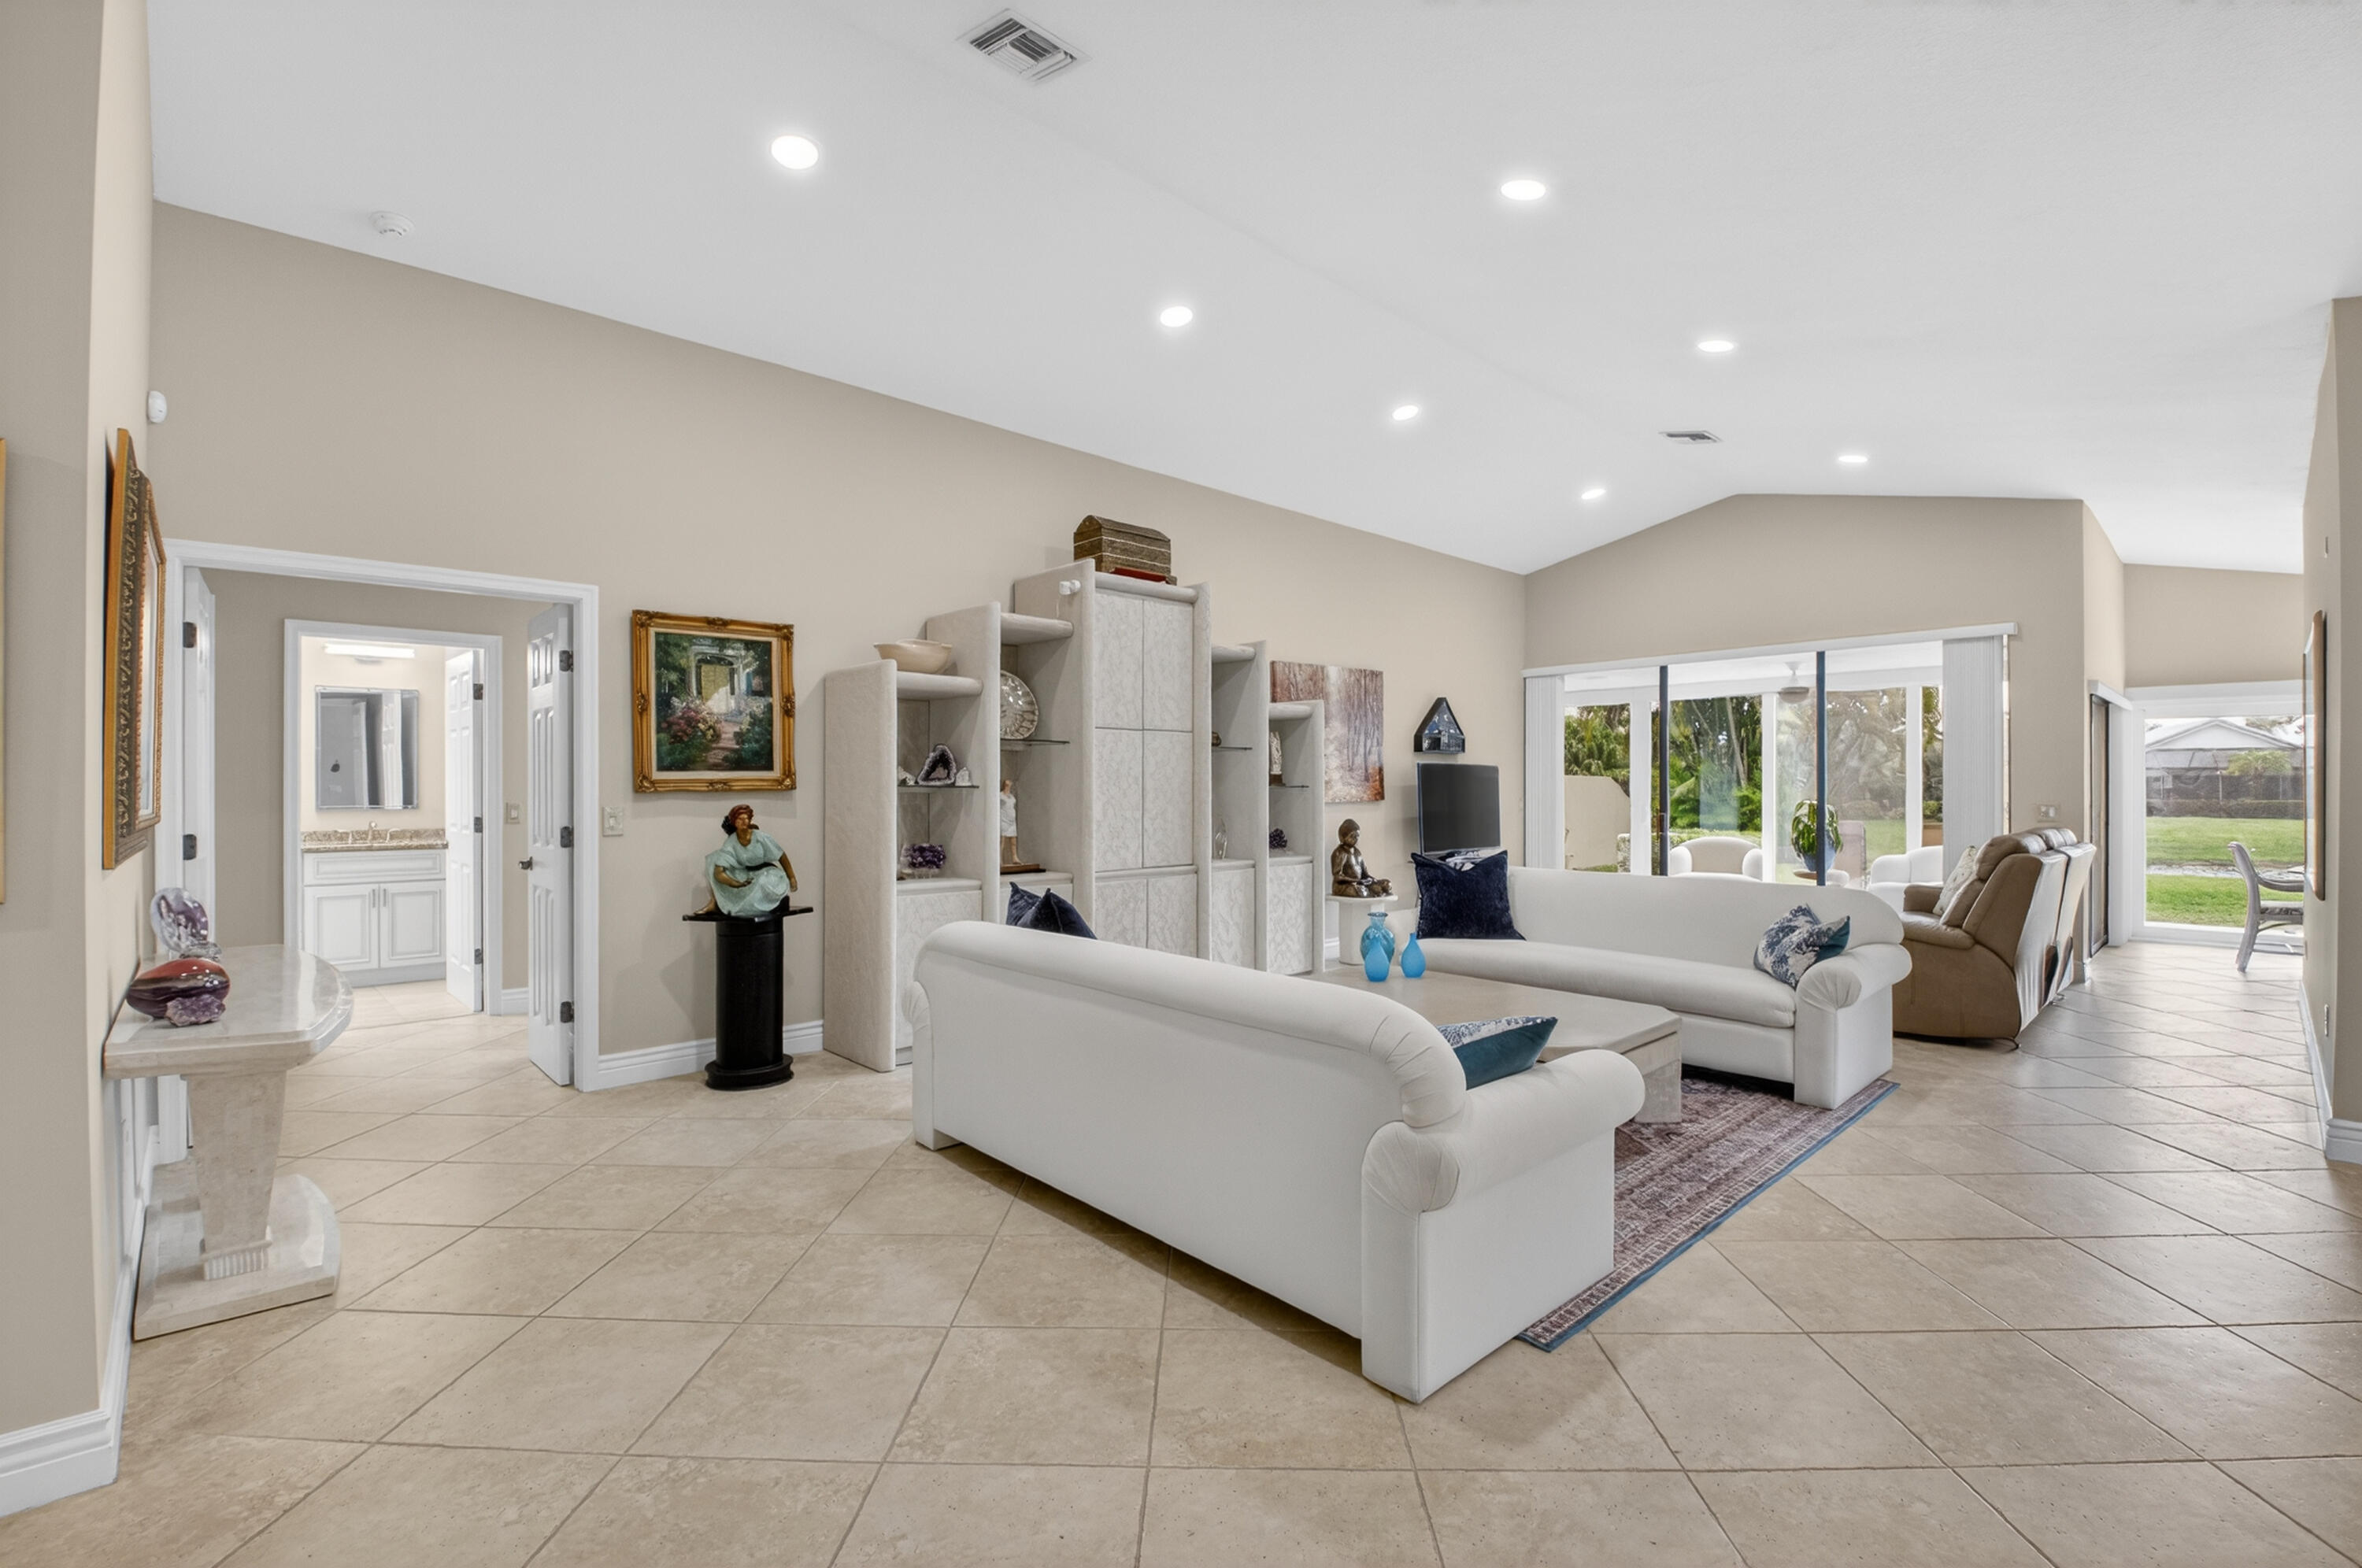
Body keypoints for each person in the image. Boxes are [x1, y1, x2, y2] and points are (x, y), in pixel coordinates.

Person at [701, 804, 798, 917]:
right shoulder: (731, 842)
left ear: (750, 820)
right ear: (734, 821)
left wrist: (792, 878)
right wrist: (735, 883)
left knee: (762, 884)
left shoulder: (760, 837)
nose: (743, 822)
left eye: (746, 818)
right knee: (714, 858)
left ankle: (750, 906)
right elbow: (719, 872)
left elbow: (781, 856)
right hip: (747, 874)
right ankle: (717, 903)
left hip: (767, 873)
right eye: (739, 819)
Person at [1330, 817, 1392, 897]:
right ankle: (1374, 892)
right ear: (1343, 837)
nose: (1355, 839)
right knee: (1360, 890)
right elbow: (1338, 877)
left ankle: (1377, 890)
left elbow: (1365, 874)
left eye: (1357, 836)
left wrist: (1374, 880)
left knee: (1386, 884)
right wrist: (1357, 881)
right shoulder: (1340, 853)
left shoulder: (1357, 853)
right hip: (1345, 886)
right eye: (1352, 836)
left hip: (1360, 883)